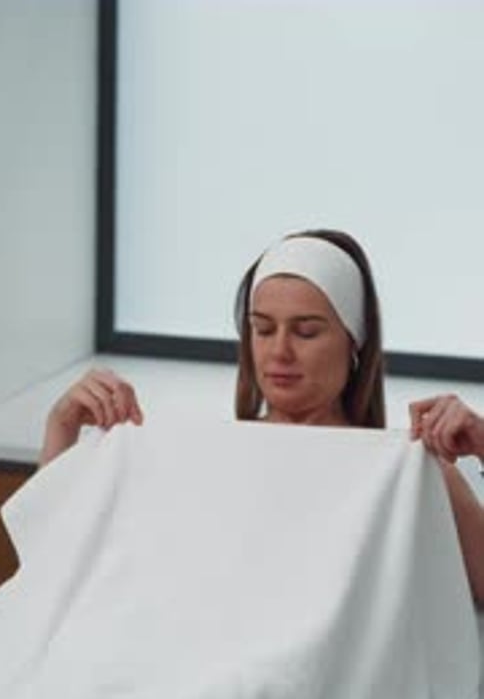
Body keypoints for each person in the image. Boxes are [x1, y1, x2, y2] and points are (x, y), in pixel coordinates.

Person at [39, 229, 484, 606]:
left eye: (306, 331)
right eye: (263, 329)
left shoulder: (409, 476)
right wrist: (62, 425)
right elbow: (54, 565)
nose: (279, 352)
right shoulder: (198, 459)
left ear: (355, 344)